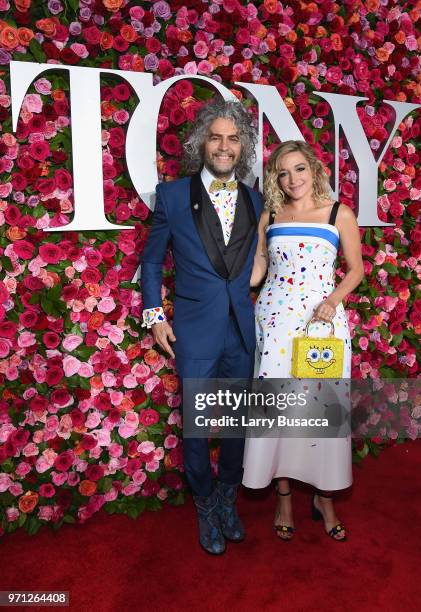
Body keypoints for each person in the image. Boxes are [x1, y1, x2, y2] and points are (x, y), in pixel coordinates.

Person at [140, 99, 263, 555]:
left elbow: (260, 261)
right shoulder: (172, 195)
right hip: (193, 330)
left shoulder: (255, 198)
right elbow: (151, 263)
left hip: (242, 330)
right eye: (216, 137)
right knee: (198, 425)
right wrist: (155, 317)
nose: (224, 147)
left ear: (243, 146)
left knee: (234, 424)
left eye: (233, 139)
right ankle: (205, 503)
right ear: (201, 143)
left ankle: (228, 495)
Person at [243, 140, 364, 542]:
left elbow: (356, 270)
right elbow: (260, 264)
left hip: (321, 326)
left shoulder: (337, 213)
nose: (291, 179)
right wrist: (234, 282)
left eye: (298, 169)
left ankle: (324, 497)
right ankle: (284, 497)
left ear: (313, 169)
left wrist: (332, 301)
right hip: (275, 325)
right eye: (282, 172)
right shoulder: (271, 214)